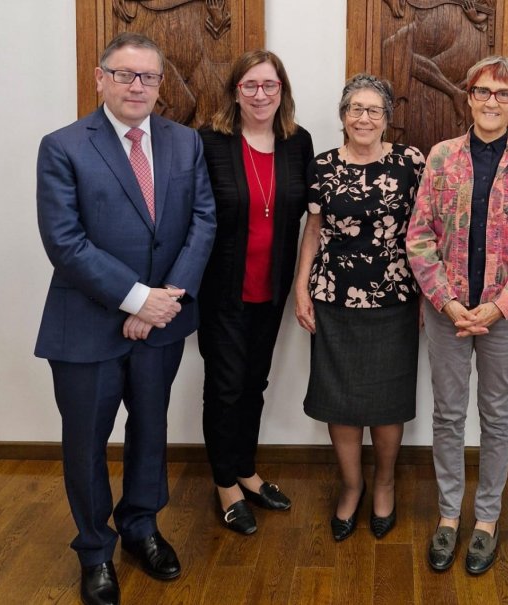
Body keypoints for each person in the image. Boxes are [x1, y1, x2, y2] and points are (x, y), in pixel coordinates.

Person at [35, 32, 216, 605]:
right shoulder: (63, 146)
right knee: (86, 441)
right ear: (100, 78)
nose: (138, 86)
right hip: (87, 324)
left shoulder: (185, 142)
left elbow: (203, 221)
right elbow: (65, 242)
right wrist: (137, 299)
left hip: (162, 321)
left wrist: (166, 299)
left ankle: (141, 526)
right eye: (125, 74)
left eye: (149, 77)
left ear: (162, 85)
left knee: (150, 430)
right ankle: (94, 550)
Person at [406, 55, 508, 575]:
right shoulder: (441, 157)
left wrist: (496, 307)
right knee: (448, 414)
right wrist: (448, 302)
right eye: (482, 92)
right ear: (468, 97)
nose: (491, 101)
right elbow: (419, 237)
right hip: (446, 311)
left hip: (503, 316)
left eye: (503, 94)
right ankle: (449, 516)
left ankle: (486, 519)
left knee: (496, 415)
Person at [294, 73, 423, 542]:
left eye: (374, 110)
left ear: (387, 118)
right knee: (341, 403)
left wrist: (431, 294)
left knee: (388, 404)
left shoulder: (411, 162)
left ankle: (385, 484)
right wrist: (301, 286)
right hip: (334, 299)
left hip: (395, 299)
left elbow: (427, 233)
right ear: (343, 115)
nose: (363, 118)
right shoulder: (323, 165)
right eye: (355, 109)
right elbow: (314, 230)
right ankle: (352, 487)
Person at [197, 50, 313, 535]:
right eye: (250, 85)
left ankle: (246, 469)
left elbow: (311, 214)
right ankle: (224, 483)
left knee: (254, 385)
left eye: (270, 85)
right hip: (222, 290)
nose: (260, 94)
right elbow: (195, 216)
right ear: (235, 92)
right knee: (224, 389)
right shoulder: (209, 142)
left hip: (272, 289)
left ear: (281, 91)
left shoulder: (296, 142)